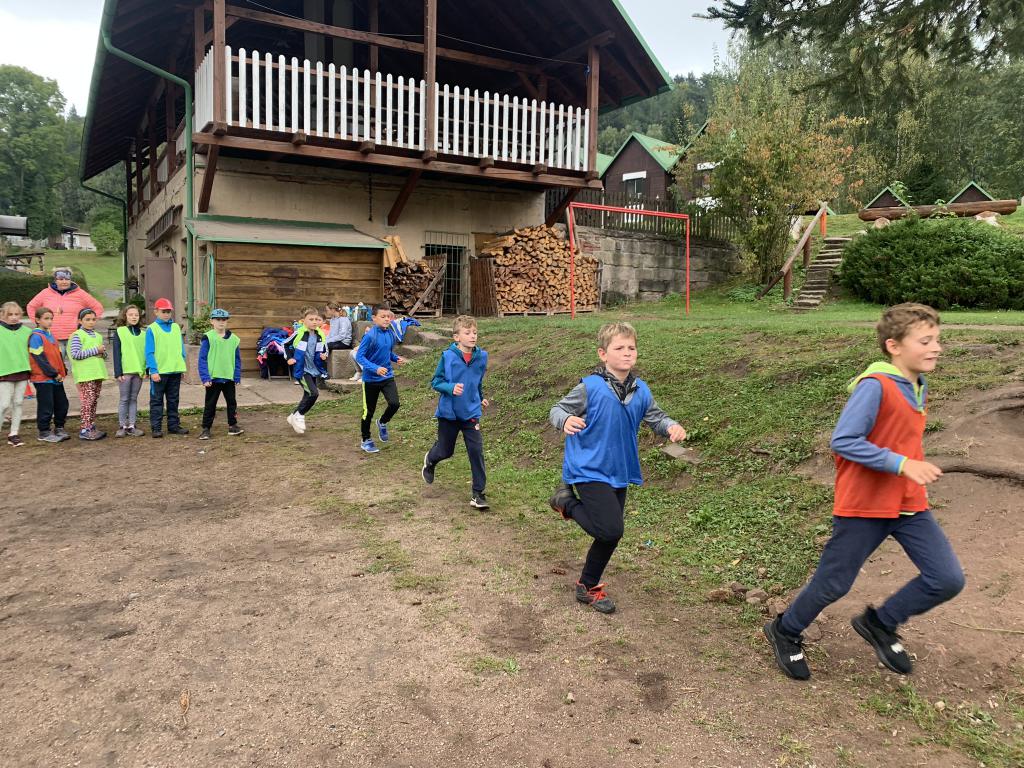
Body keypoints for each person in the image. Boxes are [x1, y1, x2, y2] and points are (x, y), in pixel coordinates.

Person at [764, 303, 964, 681]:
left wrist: (910, 468)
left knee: (947, 578)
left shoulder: (918, 385)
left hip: (909, 504)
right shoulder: (875, 386)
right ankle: (785, 630)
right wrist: (902, 464)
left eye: (937, 339)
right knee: (834, 584)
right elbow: (844, 440)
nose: (936, 347)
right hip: (865, 506)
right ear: (894, 346)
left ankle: (880, 623)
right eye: (925, 341)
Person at [548, 321, 687, 614]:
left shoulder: (640, 389)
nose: (627, 353)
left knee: (609, 533)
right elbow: (557, 409)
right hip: (588, 467)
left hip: (619, 470)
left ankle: (587, 586)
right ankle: (566, 502)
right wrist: (566, 420)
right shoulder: (590, 387)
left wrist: (671, 426)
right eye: (619, 348)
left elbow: (656, 418)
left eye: (631, 348)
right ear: (603, 354)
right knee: (611, 530)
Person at [422, 315, 490, 509]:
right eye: (467, 333)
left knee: (476, 451)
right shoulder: (448, 356)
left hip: (471, 412)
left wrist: (480, 397)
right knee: (446, 451)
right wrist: (450, 388)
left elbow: (477, 381)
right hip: (449, 413)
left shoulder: (481, 357)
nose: (473, 336)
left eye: (475, 332)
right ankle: (430, 459)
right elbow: (436, 382)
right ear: (456, 337)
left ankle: (478, 494)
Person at [355, 304, 405, 453]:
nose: (386, 319)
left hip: (387, 376)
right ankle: (366, 439)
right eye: (383, 316)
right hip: (371, 379)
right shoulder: (370, 336)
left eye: (388, 316)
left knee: (395, 404)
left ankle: (382, 422)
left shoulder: (390, 334)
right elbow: (360, 356)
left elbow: (387, 352)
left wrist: (395, 358)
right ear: (374, 318)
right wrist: (375, 368)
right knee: (368, 412)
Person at [26, 267, 104, 346]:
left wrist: (88, 323)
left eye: (67, 279)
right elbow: (31, 307)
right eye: (61, 279)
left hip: (75, 338)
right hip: (51, 338)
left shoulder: (80, 294)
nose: (64, 282)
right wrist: (39, 323)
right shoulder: (45, 293)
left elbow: (98, 308)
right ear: (55, 280)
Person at [145, 297, 189, 438]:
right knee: (157, 401)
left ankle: (173, 426)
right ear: (156, 312)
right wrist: (153, 370)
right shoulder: (152, 329)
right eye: (163, 311)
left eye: (168, 311)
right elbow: (149, 352)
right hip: (159, 372)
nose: (166, 314)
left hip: (175, 371)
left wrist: (182, 366)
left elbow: (181, 349)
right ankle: (156, 428)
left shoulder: (176, 327)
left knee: (173, 400)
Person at [198, 308, 244, 439]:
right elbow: (202, 359)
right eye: (218, 319)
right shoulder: (208, 337)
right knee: (210, 404)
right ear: (211, 321)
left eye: (224, 319)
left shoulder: (234, 339)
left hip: (229, 378)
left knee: (232, 403)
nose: (221, 322)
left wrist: (237, 376)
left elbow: (237, 359)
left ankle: (233, 426)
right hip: (213, 378)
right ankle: (206, 428)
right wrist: (205, 377)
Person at [28, 307, 70, 443]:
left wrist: (63, 369)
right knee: (46, 406)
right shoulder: (36, 336)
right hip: (43, 378)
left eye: (51, 318)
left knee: (62, 403)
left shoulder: (50, 335)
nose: (50, 321)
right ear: (37, 320)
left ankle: (59, 427)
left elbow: (57, 355)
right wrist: (53, 373)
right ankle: (44, 432)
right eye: (46, 319)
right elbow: (40, 359)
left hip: (55, 377)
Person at [284, 307, 329, 435]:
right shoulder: (299, 333)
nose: (314, 322)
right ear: (303, 321)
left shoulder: (320, 334)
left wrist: (324, 355)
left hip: (314, 369)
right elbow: (285, 344)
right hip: (302, 369)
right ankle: (299, 415)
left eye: (316, 319)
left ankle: (293, 416)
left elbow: (325, 349)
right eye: (311, 319)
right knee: (313, 393)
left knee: (308, 394)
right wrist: (289, 358)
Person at [68, 308, 108, 441]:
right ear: (80, 321)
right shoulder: (77, 335)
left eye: (93, 319)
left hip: (97, 373)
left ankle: (91, 426)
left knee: (94, 400)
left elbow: (103, 355)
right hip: (86, 374)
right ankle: (84, 429)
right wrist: (96, 350)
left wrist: (102, 353)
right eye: (87, 320)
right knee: (88, 401)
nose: (91, 322)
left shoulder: (98, 336)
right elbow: (75, 354)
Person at [0, 301, 32, 447]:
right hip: (4, 372)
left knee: (18, 402)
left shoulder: (27, 332)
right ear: (3, 315)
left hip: (23, 371)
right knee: (4, 404)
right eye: (10, 314)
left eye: (16, 314)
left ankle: (14, 433)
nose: (13, 317)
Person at [112, 304, 147, 437]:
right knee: (124, 399)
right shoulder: (120, 331)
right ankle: (122, 426)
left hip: (138, 372)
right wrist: (118, 372)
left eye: (136, 315)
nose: (134, 317)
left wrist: (146, 370)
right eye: (131, 315)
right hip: (125, 372)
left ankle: (132, 425)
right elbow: (116, 353)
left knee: (133, 399)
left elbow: (146, 353)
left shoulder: (143, 334)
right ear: (125, 316)